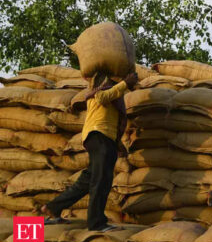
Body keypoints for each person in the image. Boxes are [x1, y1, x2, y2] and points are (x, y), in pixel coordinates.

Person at [39, 71, 138, 232]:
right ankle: (96, 223)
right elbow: (102, 97)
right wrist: (125, 84)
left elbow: (107, 119)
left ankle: (53, 207)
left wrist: (117, 142)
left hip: (100, 138)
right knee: (101, 181)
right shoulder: (100, 94)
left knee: (88, 179)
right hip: (100, 137)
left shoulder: (107, 97)